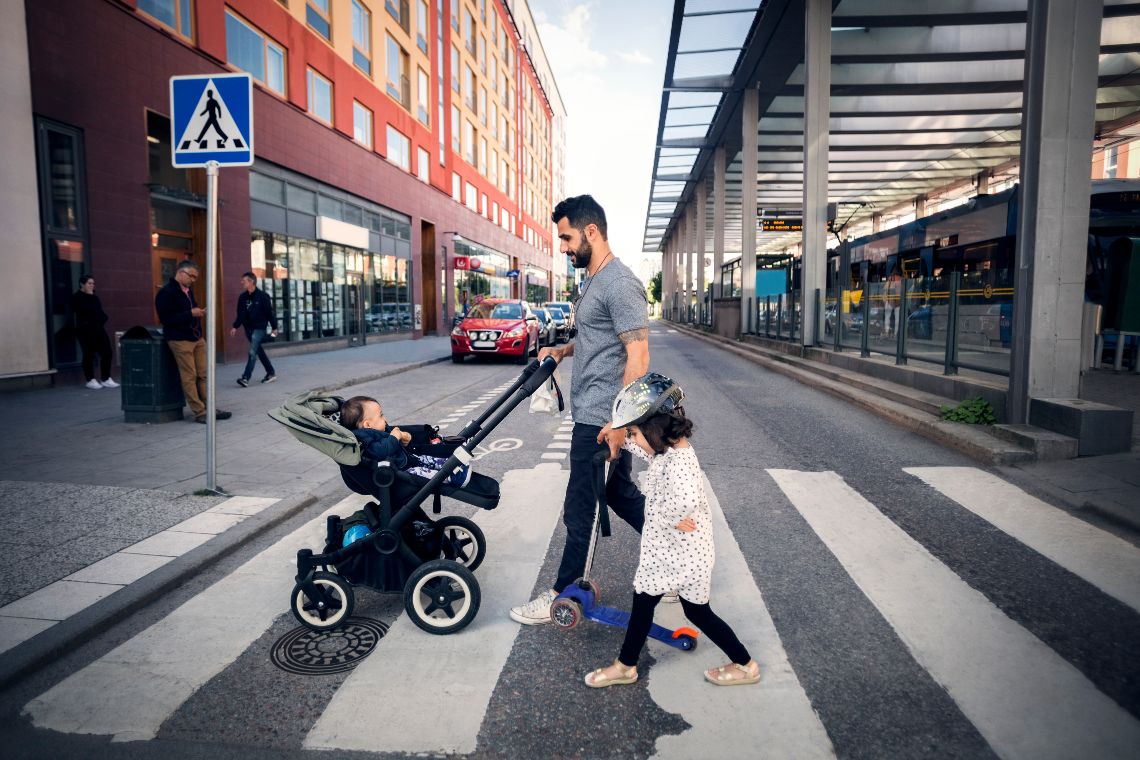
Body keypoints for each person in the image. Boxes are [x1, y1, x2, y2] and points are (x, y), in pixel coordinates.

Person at [510, 194, 650, 625]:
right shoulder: (593, 279)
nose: (564, 247)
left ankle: (561, 592)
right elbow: (599, 341)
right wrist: (564, 349)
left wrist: (620, 425)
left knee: (580, 507)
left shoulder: (619, 283)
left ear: (592, 231)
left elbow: (638, 356)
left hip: (602, 419)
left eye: (567, 238)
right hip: (595, 412)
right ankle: (678, 559)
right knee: (620, 495)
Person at [584, 373, 760, 688]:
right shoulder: (669, 448)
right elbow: (645, 450)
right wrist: (620, 435)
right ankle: (743, 664)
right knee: (676, 609)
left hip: (676, 555)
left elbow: (687, 499)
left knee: (673, 608)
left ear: (655, 429)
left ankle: (743, 664)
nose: (634, 439)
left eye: (636, 432)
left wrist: (670, 516)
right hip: (680, 552)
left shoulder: (679, 464)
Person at [155, 260, 231, 423]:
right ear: (181, 273)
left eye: (195, 277)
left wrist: (197, 313)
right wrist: (191, 313)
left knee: (204, 375)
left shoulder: (188, 291)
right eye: (192, 276)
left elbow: (190, 312)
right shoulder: (166, 292)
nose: (193, 280)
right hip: (180, 339)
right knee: (189, 376)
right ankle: (199, 412)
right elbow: (166, 318)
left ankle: (210, 408)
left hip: (196, 338)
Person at [339, 395, 472, 487]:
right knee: (423, 473)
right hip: (402, 471)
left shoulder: (374, 432)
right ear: (367, 425)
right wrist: (394, 437)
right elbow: (381, 451)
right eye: (380, 415)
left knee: (426, 459)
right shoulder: (364, 438)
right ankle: (452, 479)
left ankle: (451, 464)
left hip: (407, 459)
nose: (384, 419)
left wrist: (402, 437)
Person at [229, 272, 278, 387]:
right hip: (248, 329)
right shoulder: (242, 297)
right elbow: (240, 314)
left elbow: (269, 313)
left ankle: (245, 378)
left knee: (252, 352)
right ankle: (271, 373)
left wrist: (274, 327)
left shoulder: (263, 296)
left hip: (259, 328)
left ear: (251, 282)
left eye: (244, 281)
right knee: (258, 351)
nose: (242, 283)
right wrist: (235, 326)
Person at [70, 275, 119, 390]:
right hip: (85, 330)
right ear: (82, 284)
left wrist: (102, 318)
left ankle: (106, 378)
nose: (92, 285)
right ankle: (90, 379)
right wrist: (90, 298)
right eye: (89, 283)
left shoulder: (94, 297)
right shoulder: (77, 298)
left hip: (98, 328)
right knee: (89, 354)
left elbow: (98, 312)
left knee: (107, 352)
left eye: (93, 283)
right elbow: (85, 312)